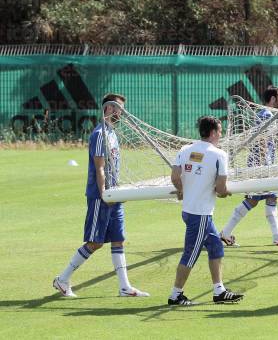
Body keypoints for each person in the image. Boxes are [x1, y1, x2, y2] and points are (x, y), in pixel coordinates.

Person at [53, 93, 149, 297]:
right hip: (101, 196)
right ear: (108, 109)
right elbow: (100, 168)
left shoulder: (113, 133)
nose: (120, 113)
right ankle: (62, 279)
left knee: (118, 240)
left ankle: (124, 287)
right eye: (117, 108)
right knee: (95, 242)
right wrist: (104, 193)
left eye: (122, 109)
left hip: (115, 195)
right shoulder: (99, 134)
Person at [167, 116, 244, 305]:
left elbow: (175, 177)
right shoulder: (219, 155)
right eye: (220, 131)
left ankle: (219, 291)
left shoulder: (185, 150)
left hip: (189, 210)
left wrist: (183, 191)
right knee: (191, 253)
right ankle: (175, 295)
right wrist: (225, 193)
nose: (221, 134)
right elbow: (221, 189)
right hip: (200, 213)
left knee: (216, 246)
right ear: (213, 132)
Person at [220, 86, 278, 246]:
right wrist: (263, 164)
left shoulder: (266, 114)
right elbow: (261, 139)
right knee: (256, 199)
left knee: (269, 197)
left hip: (262, 163)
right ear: (273, 99)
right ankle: (225, 233)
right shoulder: (266, 114)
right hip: (261, 164)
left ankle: (277, 237)